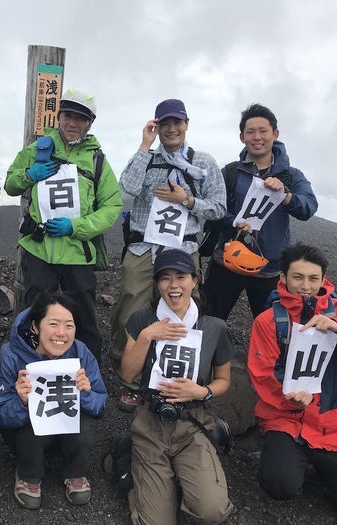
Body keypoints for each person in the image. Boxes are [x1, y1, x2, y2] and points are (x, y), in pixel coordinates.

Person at [248, 243, 337, 525]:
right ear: (283, 278)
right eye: (297, 277)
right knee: (280, 486)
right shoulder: (268, 320)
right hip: (286, 420)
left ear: (324, 280)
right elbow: (262, 373)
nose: (305, 286)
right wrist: (290, 398)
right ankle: (302, 462)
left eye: (313, 278)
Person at [109, 99, 227, 412]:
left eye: (177, 123)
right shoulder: (146, 157)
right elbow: (127, 188)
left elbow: (218, 207)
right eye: (165, 124)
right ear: (157, 126)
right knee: (129, 310)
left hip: (183, 251)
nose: (172, 129)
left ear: (186, 124)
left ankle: (183, 379)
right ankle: (131, 380)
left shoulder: (203, 162)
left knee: (183, 314)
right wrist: (144, 145)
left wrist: (187, 200)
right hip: (142, 247)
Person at [5, 88, 123, 366]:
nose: (73, 123)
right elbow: (9, 184)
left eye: (80, 118)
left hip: (78, 251)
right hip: (39, 248)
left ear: (90, 123)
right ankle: (31, 369)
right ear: (58, 117)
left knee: (82, 315)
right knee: (37, 313)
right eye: (68, 115)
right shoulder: (35, 151)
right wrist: (28, 174)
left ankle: (87, 374)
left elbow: (112, 206)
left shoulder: (98, 161)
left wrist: (76, 226)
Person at [121, 249, 234, 525]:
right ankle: (128, 459)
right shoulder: (142, 320)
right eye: (165, 278)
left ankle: (177, 479)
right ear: (157, 284)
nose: (173, 285)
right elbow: (127, 373)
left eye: (181, 276)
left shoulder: (215, 327)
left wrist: (202, 392)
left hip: (193, 422)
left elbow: (224, 380)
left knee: (212, 512)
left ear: (194, 280)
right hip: (151, 421)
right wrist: (148, 335)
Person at [0, 291, 107, 510]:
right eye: (53, 324)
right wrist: (21, 401)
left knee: (85, 423)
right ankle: (28, 474)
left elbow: (100, 404)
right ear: (35, 326)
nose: (61, 333)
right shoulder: (12, 354)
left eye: (69, 326)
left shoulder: (81, 353)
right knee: (32, 423)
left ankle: (75, 472)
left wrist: (86, 393)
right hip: (28, 434)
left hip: (66, 431)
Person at [203, 103, 318, 321]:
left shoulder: (292, 176)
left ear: (275, 134)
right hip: (228, 260)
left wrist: (285, 196)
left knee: (273, 329)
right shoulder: (228, 172)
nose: (257, 137)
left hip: (271, 266)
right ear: (242, 137)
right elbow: (213, 208)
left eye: (263, 131)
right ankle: (212, 355)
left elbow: (308, 207)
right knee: (209, 320)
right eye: (251, 132)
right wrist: (234, 223)